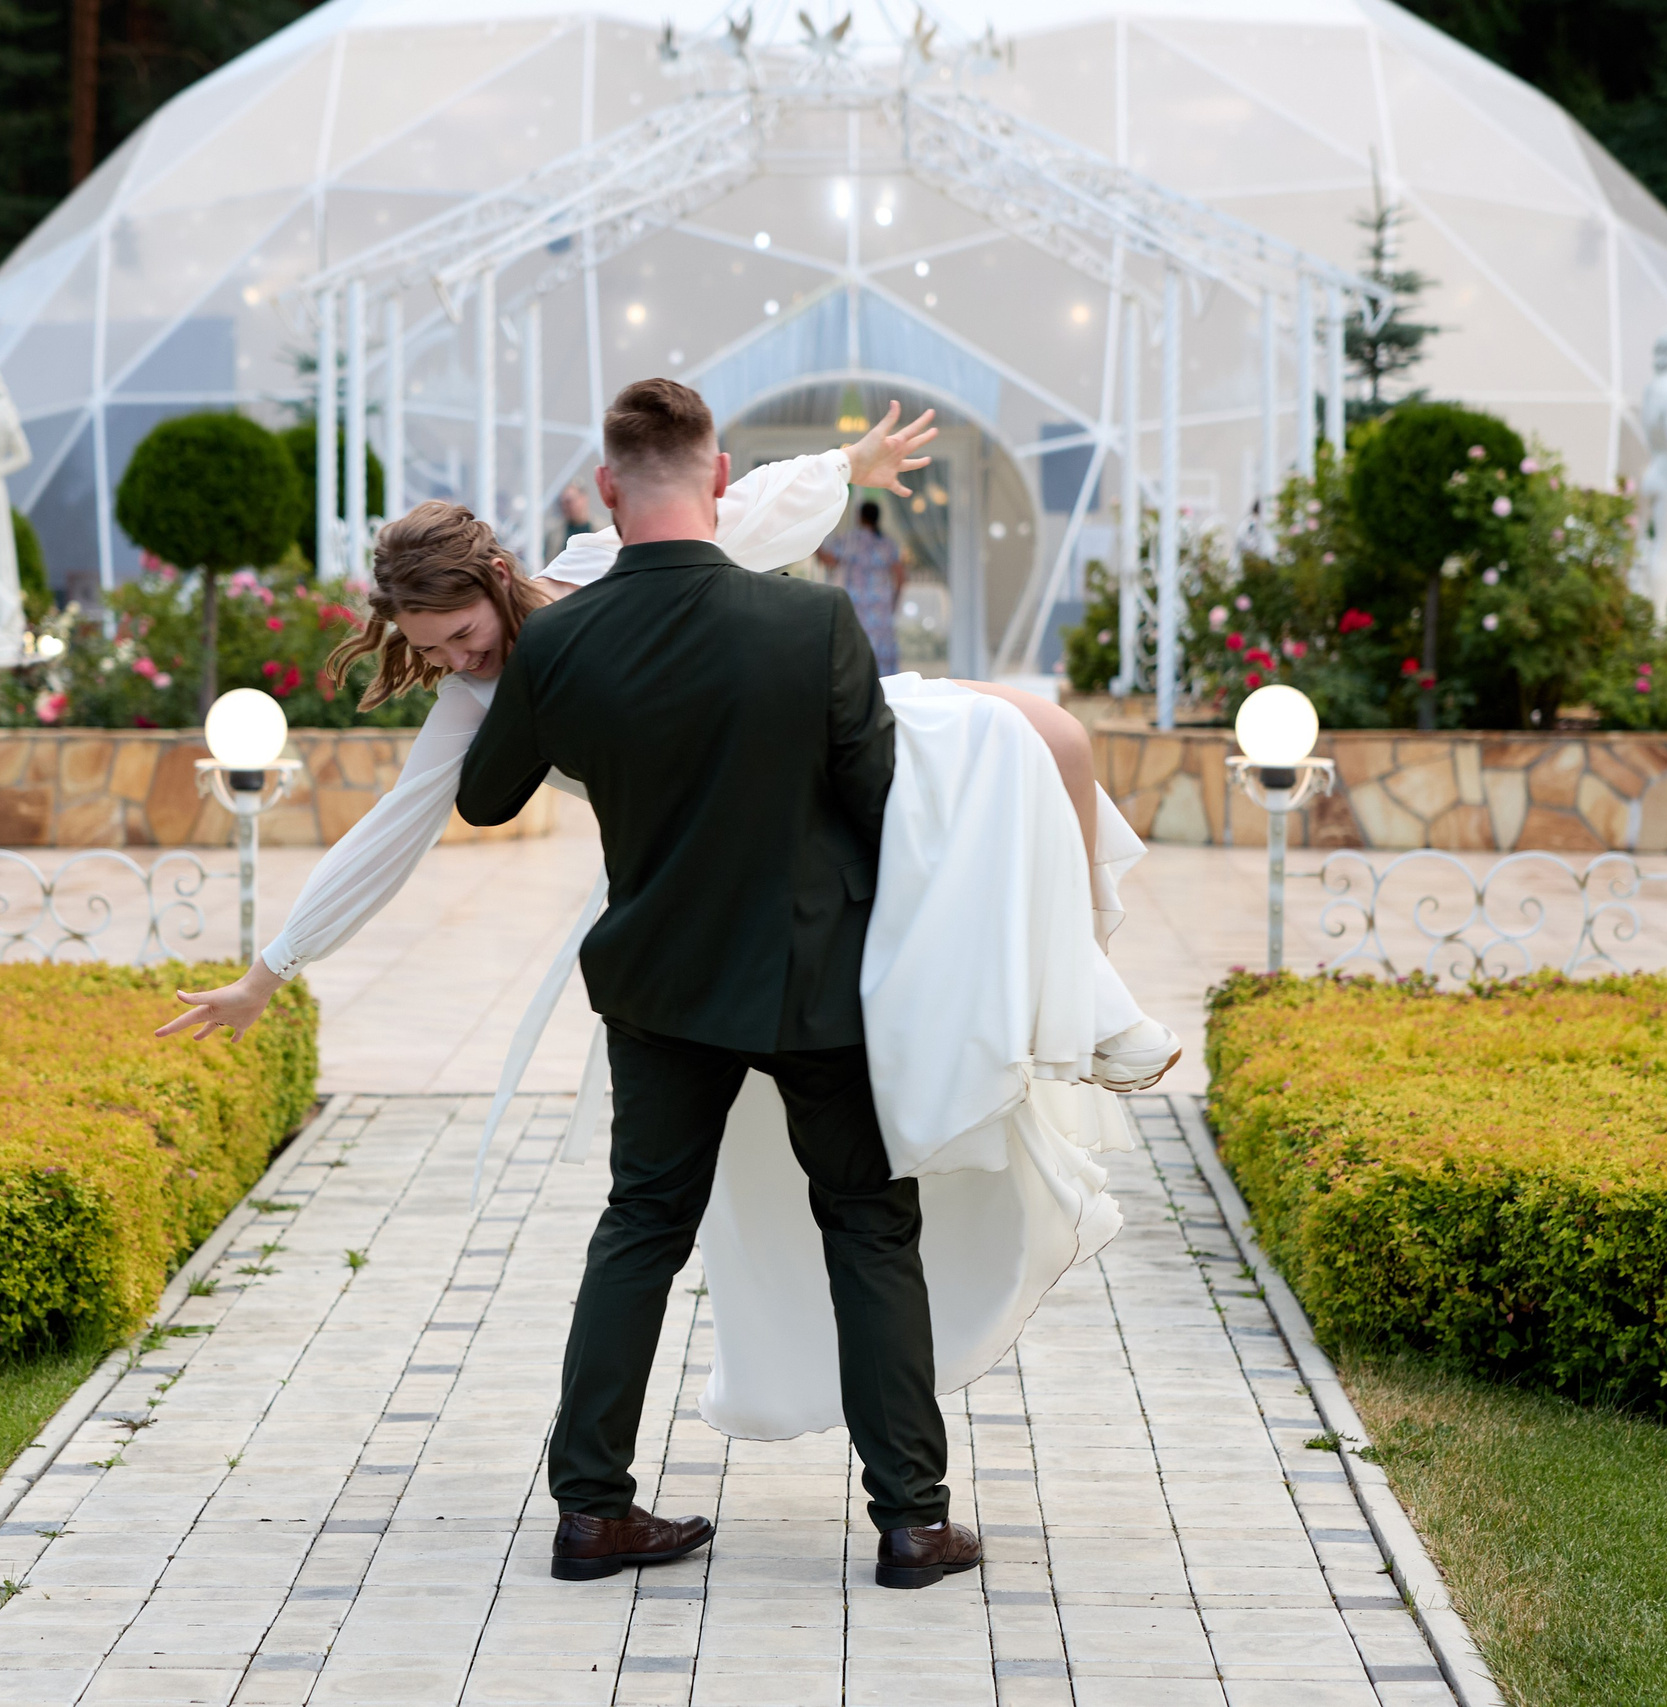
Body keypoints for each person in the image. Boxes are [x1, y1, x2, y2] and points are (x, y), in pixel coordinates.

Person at [154, 385, 1182, 1587]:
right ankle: (897, 1520)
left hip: (666, 966)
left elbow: (733, 509)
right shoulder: (769, 627)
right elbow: (414, 816)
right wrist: (272, 968)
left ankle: (604, 1510)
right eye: (433, 655)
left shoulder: (575, 614)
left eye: (459, 641)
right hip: (805, 959)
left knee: (644, 1224)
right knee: (849, 1223)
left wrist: (846, 460)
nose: (457, 663)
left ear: (508, 564)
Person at [817, 499, 906, 672]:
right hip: (881, 604)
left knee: (856, 646)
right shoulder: (887, 543)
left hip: (855, 602)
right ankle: (883, 692)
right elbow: (901, 577)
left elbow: (829, 560)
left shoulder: (849, 540)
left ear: (860, 517)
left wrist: (813, 543)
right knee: (881, 651)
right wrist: (894, 600)